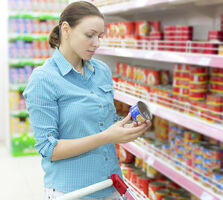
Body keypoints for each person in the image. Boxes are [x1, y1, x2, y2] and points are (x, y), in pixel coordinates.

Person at [23, 1, 151, 200]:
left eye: (99, 36)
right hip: (74, 192)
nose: (97, 43)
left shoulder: (101, 71)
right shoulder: (43, 79)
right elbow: (49, 149)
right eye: (89, 35)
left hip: (112, 185)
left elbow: (102, 122)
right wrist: (108, 136)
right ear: (66, 29)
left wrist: (126, 128)